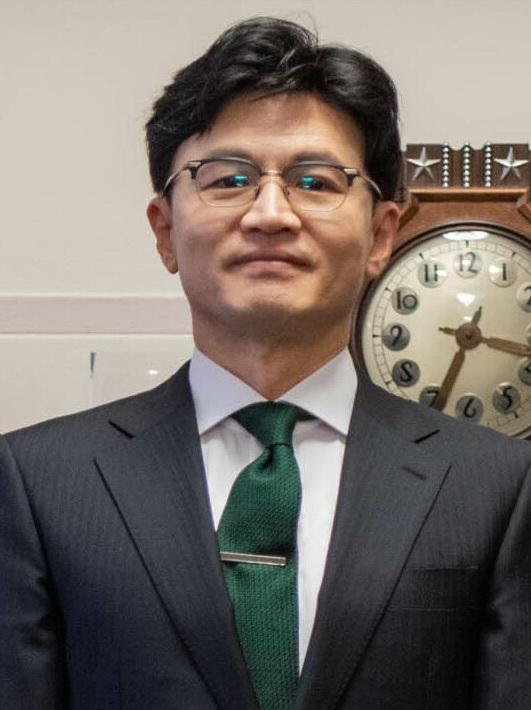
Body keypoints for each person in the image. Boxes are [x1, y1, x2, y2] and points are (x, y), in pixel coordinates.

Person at [1, 16, 530, 710]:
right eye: (229, 179)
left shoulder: (500, 487)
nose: (271, 214)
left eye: (315, 180)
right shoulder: (36, 484)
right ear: (165, 230)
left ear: (380, 234)